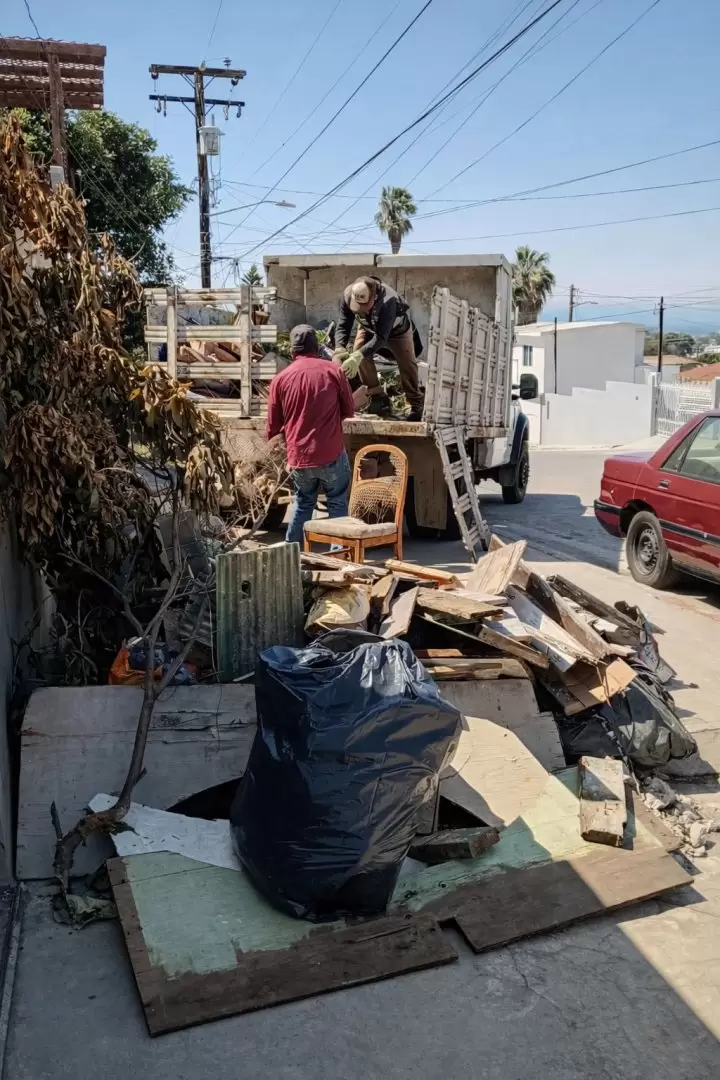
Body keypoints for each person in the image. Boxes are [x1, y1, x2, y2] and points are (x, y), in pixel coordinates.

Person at [266, 324, 367, 544]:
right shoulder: (334, 371)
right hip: (330, 453)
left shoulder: (280, 380)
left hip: (299, 458)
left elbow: (273, 426)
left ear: (292, 351)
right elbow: (349, 410)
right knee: (337, 503)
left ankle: (290, 556)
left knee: (303, 504)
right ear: (318, 347)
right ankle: (340, 558)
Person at [333, 276, 424, 421]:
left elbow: (381, 338)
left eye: (365, 307)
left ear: (374, 297)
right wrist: (339, 348)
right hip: (368, 328)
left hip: (396, 331)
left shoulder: (389, 301)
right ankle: (377, 396)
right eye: (358, 308)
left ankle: (415, 403)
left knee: (407, 362)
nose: (361, 311)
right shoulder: (348, 295)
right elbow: (344, 324)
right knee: (359, 347)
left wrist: (358, 356)